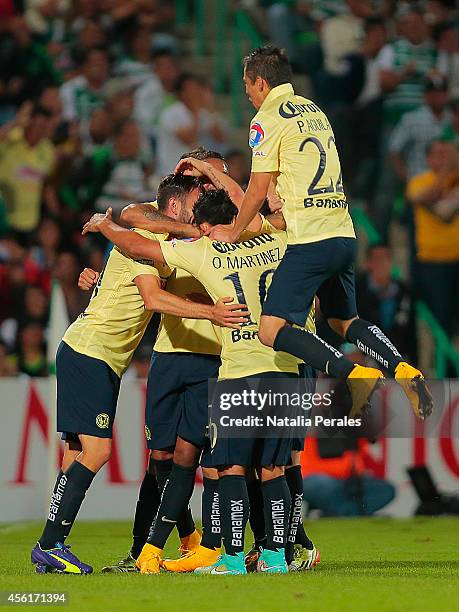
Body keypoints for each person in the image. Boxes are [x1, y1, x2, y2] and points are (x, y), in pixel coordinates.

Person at [82, 188, 318, 576]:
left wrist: (106, 225)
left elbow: (140, 246)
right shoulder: (275, 241)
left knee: (231, 469)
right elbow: (285, 221)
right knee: (275, 466)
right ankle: (278, 555)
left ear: (206, 225)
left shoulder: (205, 252)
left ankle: (232, 557)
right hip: (284, 364)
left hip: (239, 369)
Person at [29, 174, 246, 575]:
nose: (200, 210)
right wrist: (211, 312)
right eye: (196, 200)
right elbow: (151, 296)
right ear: (177, 207)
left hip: (92, 354)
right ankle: (50, 543)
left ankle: (53, 542)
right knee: (97, 452)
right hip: (92, 353)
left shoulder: (152, 239)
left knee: (76, 452)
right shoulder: (148, 244)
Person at [209, 45, 433, 421]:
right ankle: (401, 368)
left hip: (310, 238)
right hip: (343, 234)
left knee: (271, 327)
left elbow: (256, 188)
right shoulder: (314, 110)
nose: (246, 93)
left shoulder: (266, 118)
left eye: (247, 84)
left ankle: (354, 373)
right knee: (342, 321)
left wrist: (234, 230)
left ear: (260, 82)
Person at [406, 139, 459, 335]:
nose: (444, 158)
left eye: (447, 154)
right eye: (439, 154)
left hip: (457, 259)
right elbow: (429, 201)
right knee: (441, 321)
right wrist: (446, 172)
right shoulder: (419, 181)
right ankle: (444, 365)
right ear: (428, 159)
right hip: (433, 264)